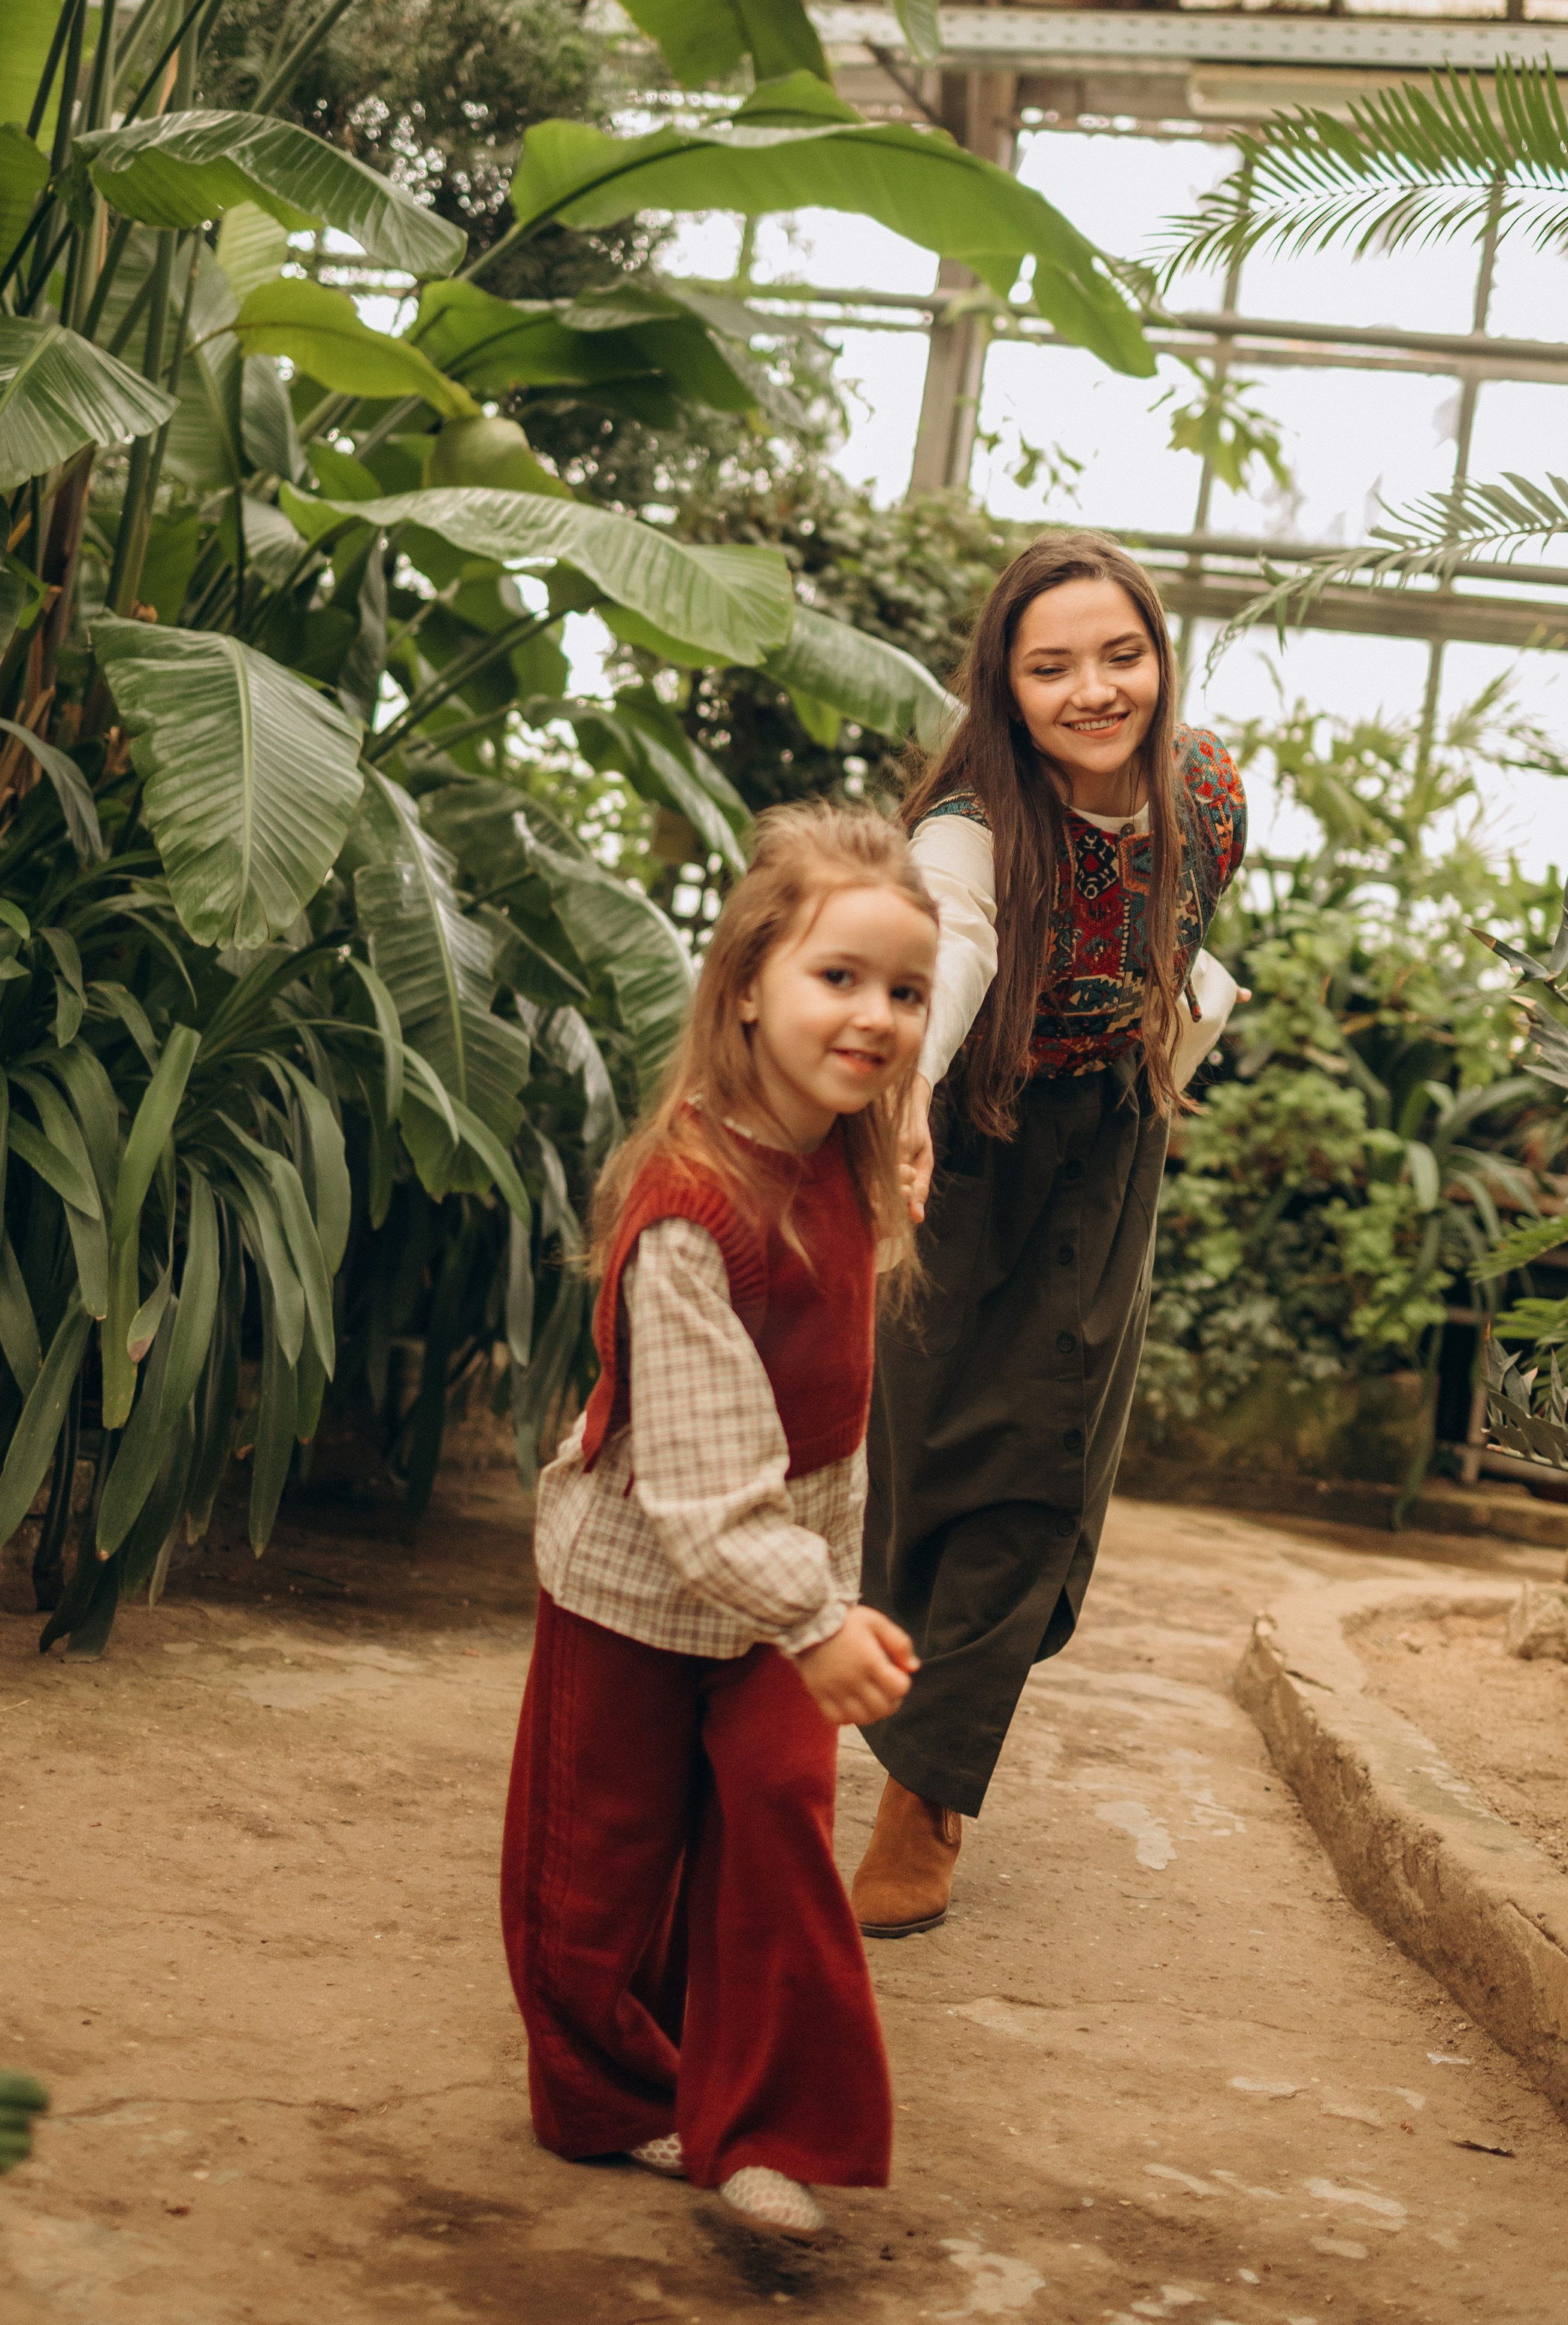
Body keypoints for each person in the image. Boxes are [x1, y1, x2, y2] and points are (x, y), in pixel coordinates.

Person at [499, 802, 939, 2241]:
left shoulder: (853, 1156)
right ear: (746, 980)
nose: (873, 1017)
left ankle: (760, 2130)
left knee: (776, 1821)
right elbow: (697, 1484)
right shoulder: (694, 1209)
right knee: (597, 1865)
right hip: (644, 1577)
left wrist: (806, 1609)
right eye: (838, 979)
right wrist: (815, 1619)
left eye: (905, 992)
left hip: (780, 1593)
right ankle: (612, 2093)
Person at [850, 532, 1246, 1939]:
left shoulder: (1207, 788)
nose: (1096, 689)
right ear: (1006, 687)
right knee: (926, 1447)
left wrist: (1175, 1031)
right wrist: (902, 1099)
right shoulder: (968, 819)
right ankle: (910, 1712)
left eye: (1122, 655)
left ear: (1159, 656)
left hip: (1108, 1149)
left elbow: (1187, 925)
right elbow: (949, 947)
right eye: (1053, 666)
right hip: (966, 1148)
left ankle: (928, 1793)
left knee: (1040, 1462)